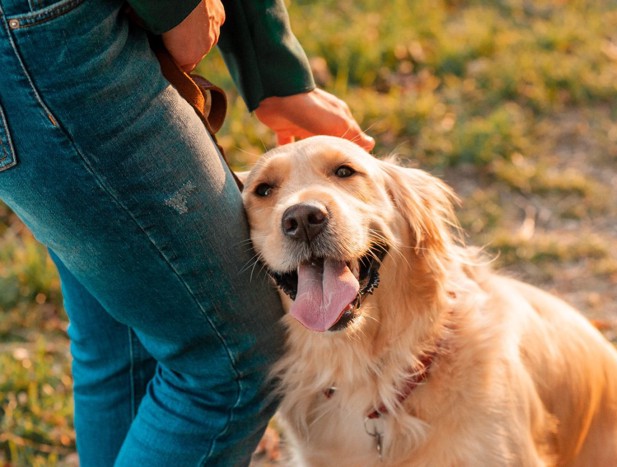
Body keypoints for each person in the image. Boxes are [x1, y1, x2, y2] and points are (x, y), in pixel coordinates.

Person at [0, 0, 373, 465]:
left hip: (40, 39)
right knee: (230, 361)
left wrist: (272, 69)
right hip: (48, 41)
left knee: (126, 338)